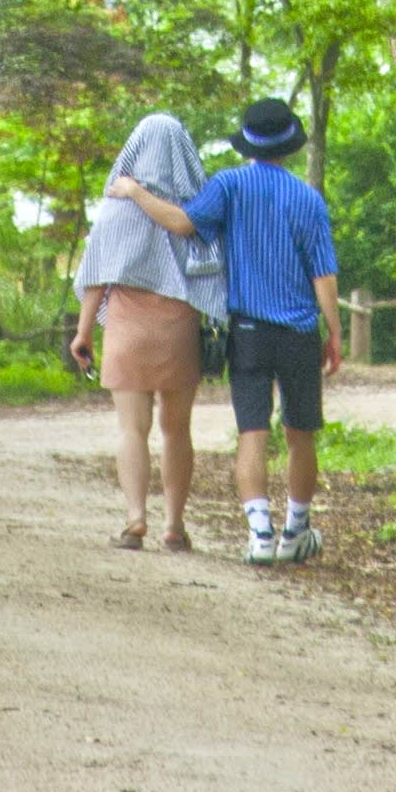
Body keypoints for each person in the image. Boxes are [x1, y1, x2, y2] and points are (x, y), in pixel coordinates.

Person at [125, 94, 342, 563]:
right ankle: (295, 534)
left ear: (248, 143)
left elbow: (181, 224)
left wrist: (136, 192)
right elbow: (323, 274)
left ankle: (260, 535)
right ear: (290, 146)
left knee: (252, 433)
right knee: (301, 432)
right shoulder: (308, 199)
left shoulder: (228, 186)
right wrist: (336, 333)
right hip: (299, 332)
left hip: (247, 330)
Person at [63, 112, 224, 549]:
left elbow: (96, 274)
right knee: (177, 430)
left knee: (130, 429)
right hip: (179, 327)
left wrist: (83, 334)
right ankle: (175, 526)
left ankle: (135, 519)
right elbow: (214, 272)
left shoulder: (117, 205)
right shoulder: (196, 206)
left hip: (127, 328)